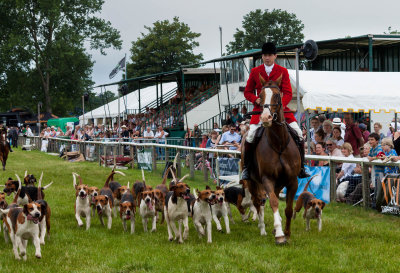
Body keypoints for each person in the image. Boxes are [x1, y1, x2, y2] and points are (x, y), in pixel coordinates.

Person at [242, 41, 309, 179]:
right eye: (265, 55)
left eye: (270, 55)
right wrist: (256, 100)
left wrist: (279, 107)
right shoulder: (255, 71)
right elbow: (247, 92)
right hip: (260, 112)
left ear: (275, 56)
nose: (267, 58)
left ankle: (301, 167)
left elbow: (288, 93)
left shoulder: (282, 71)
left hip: (281, 111)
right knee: (249, 137)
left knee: (298, 134)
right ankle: (247, 169)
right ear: (262, 56)